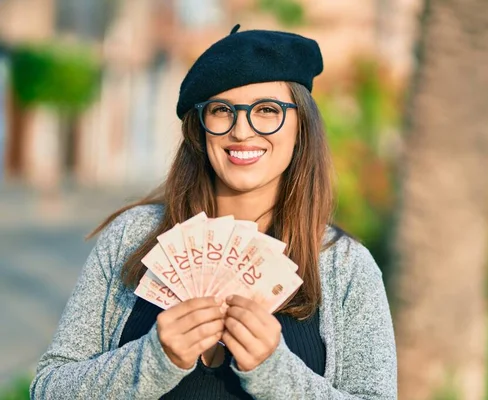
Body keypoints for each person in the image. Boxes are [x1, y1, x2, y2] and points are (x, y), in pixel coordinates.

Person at [30, 25, 397, 399]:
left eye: (267, 110)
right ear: (200, 129)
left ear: (301, 125)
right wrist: (155, 358)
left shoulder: (346, 267)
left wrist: (276, 373)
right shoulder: (131, 237)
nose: (241, 131)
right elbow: (49, 389)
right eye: (222, 111)